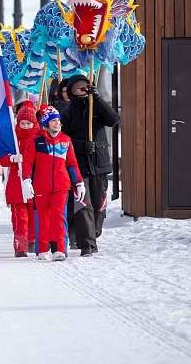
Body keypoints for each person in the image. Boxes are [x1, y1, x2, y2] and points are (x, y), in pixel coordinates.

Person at [60, 74, 120, 256]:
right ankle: (87, 244)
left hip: (99, 164)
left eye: (86, 88)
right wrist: (81, 145)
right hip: (79, 166)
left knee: (98, 205)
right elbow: (64, 140)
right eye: (79, 88)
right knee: (83, 205)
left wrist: (98, 98)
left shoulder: (97, 107)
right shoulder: (67, 113)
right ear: (72, 92)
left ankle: (93, 234)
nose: (83, 91)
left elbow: (113, 120)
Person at [21, 106, 85, 261]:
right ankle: (43, 249)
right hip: (41, 186)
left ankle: (59, 250)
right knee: (42, 218)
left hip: (62, 187)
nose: (57, 123)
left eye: (58, 120)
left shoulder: (66, 140)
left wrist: (79, 182)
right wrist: (26, 179)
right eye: (53, 121)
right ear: (46, 123)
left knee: (59, 217)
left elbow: (72, 164)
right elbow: (27, 162)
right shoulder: (35, 141)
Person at [0, 100, 39, 257]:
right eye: (23, 123)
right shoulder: (12, 138)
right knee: (19, 218)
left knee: (34, 215)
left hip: (34, 182)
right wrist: (13, 158)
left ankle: (32, 241)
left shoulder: (38, 138)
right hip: (16, 183)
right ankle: (20, 245)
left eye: (29, 123)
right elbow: (2, 158)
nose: (26, 126)